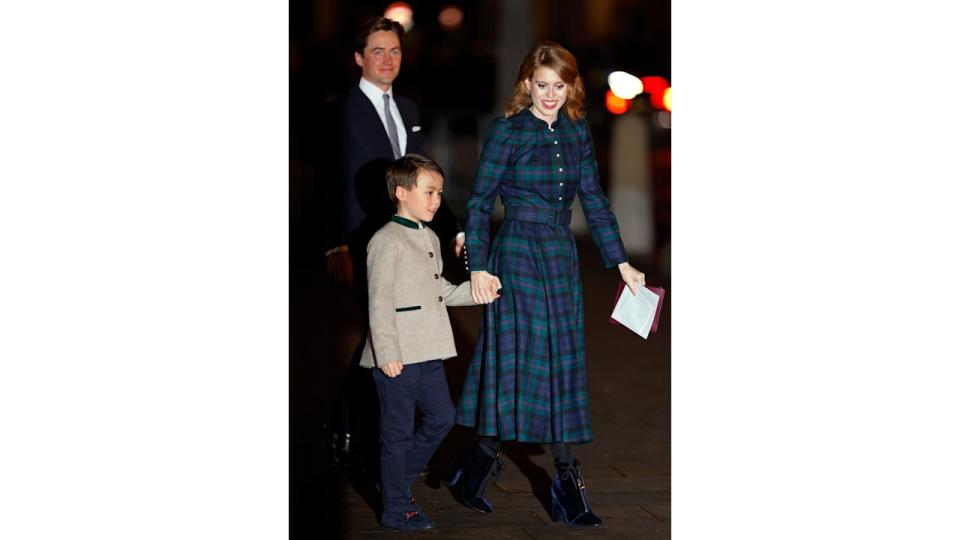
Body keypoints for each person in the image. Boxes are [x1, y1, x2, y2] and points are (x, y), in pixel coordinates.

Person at [446, 41, 647, 527]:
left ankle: (485, 466)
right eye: (542, 85)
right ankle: (551, 480)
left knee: (560, 365)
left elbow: (594, 201)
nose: (550, 94)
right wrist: (477, 265)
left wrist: (621, 263)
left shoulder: (577, 133)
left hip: (559, 255)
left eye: (560, 85)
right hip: (514, 253)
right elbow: (478, 203)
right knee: (518, 363)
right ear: (527, 84)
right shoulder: (507, 132)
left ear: (571, 86)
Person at [322, 16, 466, 479]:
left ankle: (349, 429)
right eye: (378, 51)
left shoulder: (406, 106)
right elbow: (332, 183)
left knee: (380, 337)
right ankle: (355, 432)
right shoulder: (341, 110)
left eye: (395, 51)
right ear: (360, 58)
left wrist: (454, 229)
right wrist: (335, 244)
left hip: (411, 238)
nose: (388, 59)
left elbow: (422, 176)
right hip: (366, 241)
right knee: (381, 332)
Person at [362, 154, 499, 531]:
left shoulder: (428, 236)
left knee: (443, 417)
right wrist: (386, 353)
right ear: (401, 193)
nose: (436, 200)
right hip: (399, 356)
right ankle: (396, 508)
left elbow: (436, 289)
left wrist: (477, 294)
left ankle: (394, 481)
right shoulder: (386, 241)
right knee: (397, 432)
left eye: (439, 192)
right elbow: (379, 301)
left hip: (429, 350)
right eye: (429, 192)